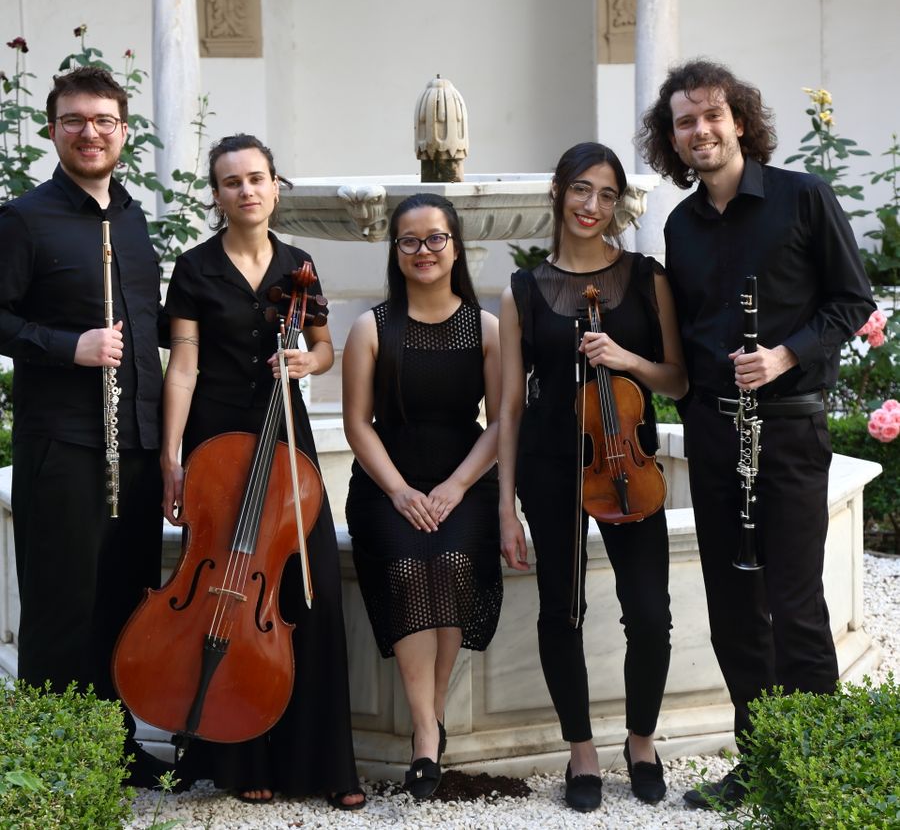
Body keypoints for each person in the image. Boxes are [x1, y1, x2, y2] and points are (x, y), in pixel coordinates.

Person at [636, 59, 875, 810]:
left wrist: (783, 356)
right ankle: (760, 759)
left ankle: (817, 766)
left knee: (796, 604)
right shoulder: (681, 225)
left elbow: (852, 302)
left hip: (791, 427)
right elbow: (687, 337)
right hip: (715, 433)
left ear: (739, 121)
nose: (700, 130)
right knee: (734, 609)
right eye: (685, 121)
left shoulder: (803, 197)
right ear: (673, 139)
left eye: (712, 115)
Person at [160, 134, 363, 809]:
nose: (245, 190)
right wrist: (170, 457)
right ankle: (239, 752)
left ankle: (324, 763)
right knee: (224, 592)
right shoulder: (194, 269)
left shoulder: (300, 266)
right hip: (216, 442)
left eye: (256, 178)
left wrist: (308, 362)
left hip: (285, 440)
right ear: (217, 195)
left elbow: (323, 348)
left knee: (312, 590)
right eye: (231, 182)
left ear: (276, 186)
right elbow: (183, 368)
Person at [497, 142, 688, 813]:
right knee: (562, 610)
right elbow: (509, 408)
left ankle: (641, 742)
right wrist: (504, 507)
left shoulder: (646, 277)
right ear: (558, 192)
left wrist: (624, 357)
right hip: (551, 467)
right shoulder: (522, 291)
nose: (593, 206)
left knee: (650, 614)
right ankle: (581, 752)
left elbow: (676, 378)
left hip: (627, 463)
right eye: (582, 189)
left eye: (608, 194)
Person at [0, 66, 168, 786]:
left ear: (123, 131)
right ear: (52, 130)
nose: (90, 133)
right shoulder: (23, 219)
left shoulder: (131, 218)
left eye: (103, 120)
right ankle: (53, 765)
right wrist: (69, 346)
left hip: (136, 444)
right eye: (74, 120)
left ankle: (114, 746)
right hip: (63, 445)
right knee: (60, 610)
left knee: (125, 603)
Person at [342, 193, 503, 800]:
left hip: (464, 483)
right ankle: (427, 729)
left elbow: (501, 423)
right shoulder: (371, 327)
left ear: (455, 247)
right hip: (387, 485)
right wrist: (401, 491)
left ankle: (427, 728)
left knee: (453, 561)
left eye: (436, 238)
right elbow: (356, 424)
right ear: (396, 251)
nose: (423, 251)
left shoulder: (487, 329)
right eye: (409, 241)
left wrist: (457, 486)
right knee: (410, 564)